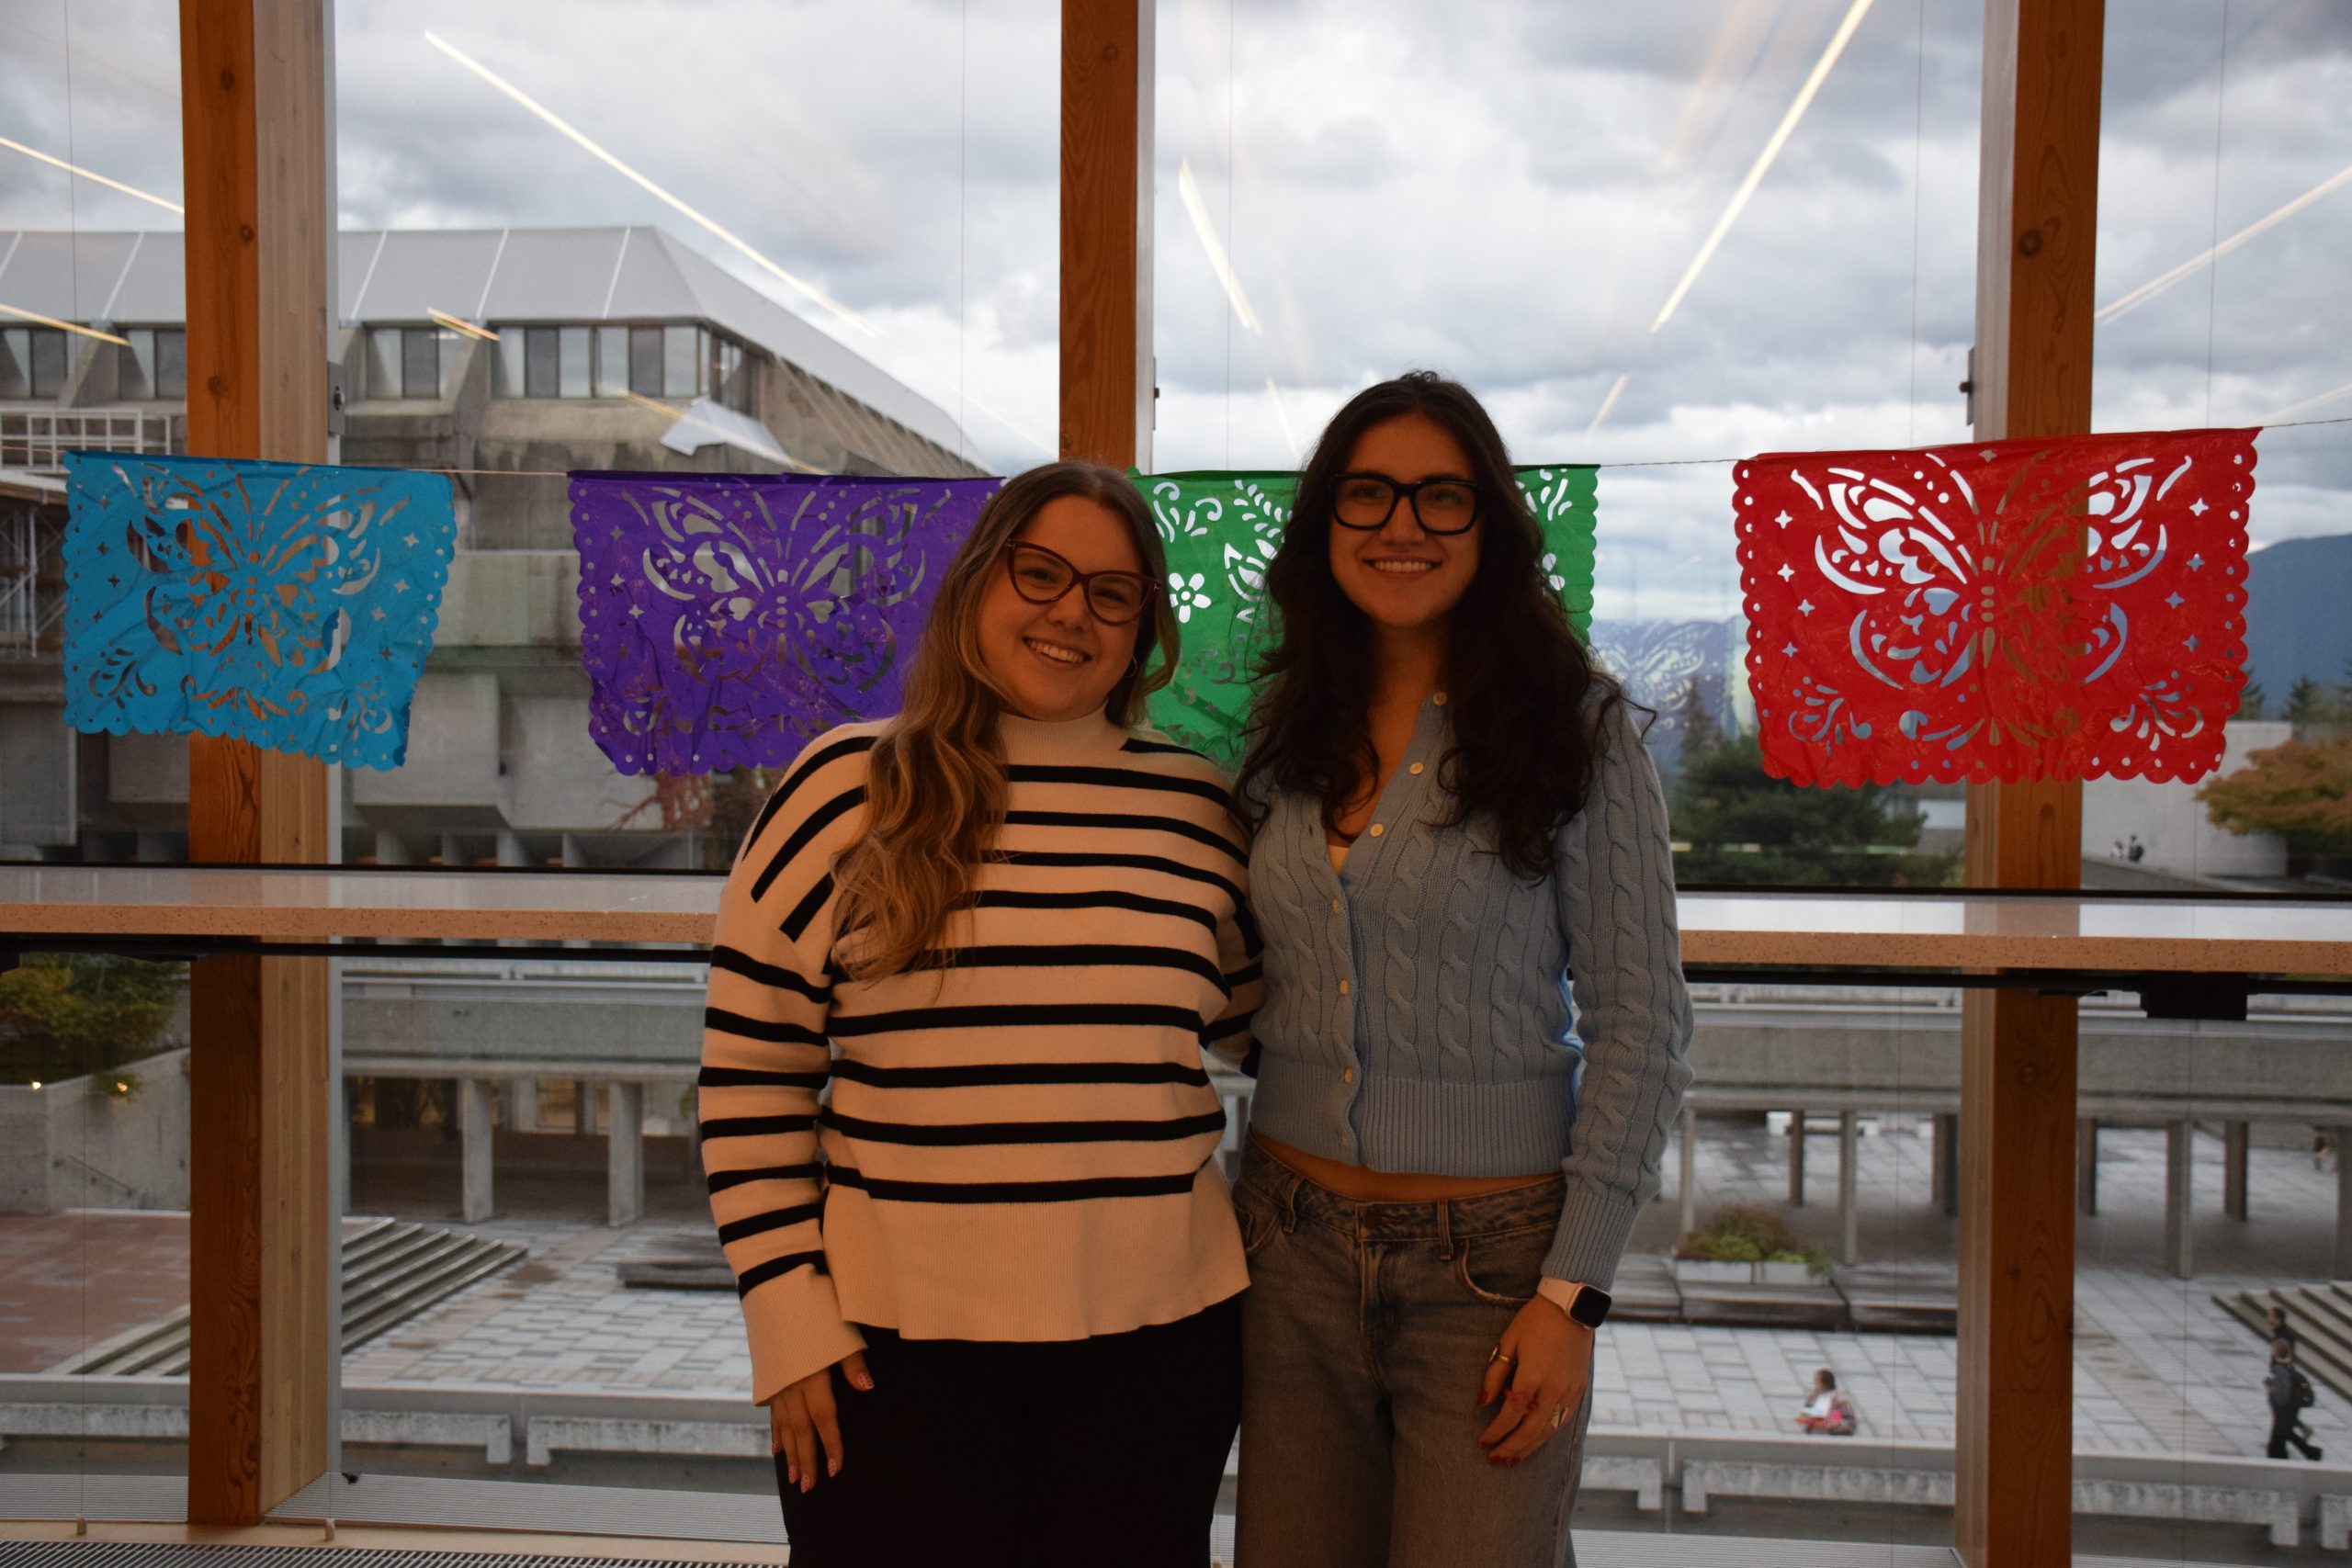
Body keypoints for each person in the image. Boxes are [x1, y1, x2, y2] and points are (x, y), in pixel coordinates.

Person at [700, 462, 1263, 1568]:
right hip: (888, 1356)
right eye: (1040, 573)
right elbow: (748, 1079)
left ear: (1144, 624)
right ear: (976, 583)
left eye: (1113, 592)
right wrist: (785, 1318)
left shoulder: (1198, 808)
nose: (1071, 613)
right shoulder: (843, 788)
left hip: (1156, 1354)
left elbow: (1275, 1033)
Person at [1230, 371, 1694, 1567]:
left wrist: (1572, 1292)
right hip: (1285, 1245)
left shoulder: (1577, 732)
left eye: (1442, 497)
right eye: (1369, 493)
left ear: (1489, 525)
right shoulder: (1286, 734)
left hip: (1492, 1270)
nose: (1403, 525)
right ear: (1324, 521)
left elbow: (1642, 1021)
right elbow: (1252, 972)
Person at [2267, 1337, 2323, 1461]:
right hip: (2292, 1407)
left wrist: (2275, 1401)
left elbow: (2281, 1393)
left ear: (2276, 1353)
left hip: (2284, 1408)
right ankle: (2312, 1453)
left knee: (2279, 1437)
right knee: (2286, 1433)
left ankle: (2282, 1459)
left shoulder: (2279, 1369)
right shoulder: (2289, 1367)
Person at [1796, 1368, 1858, 1436]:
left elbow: (1850, 1422)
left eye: (1817, 1380)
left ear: (1826, 1381)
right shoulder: (1813, 1398)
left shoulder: (1840, 1399)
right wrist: (1808, 1423)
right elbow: (1804, 1416)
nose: (1815, 1383)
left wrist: (1832, 1426)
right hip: (1814, 1437)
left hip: (1833, 1439)